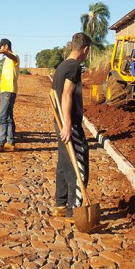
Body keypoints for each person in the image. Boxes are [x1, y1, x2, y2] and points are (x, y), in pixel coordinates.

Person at [51, 32, 92, 223]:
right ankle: (73, 210)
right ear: (85, 49)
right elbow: (66, 95)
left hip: (60, 119)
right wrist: (68, 124)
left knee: (64, 162)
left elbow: (56, 92)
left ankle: (60, 204)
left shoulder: (62, 66)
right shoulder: (75, 66)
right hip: (69, 123)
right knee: (78, 162)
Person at [0, 38, 19, 152]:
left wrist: (2, 52)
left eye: (0, 47)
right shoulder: (7, 59)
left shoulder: (13, 56)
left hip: (9, 90)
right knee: (8, 117)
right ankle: (10, 143)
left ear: (6, 46)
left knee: (2, 117)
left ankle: (0, 143)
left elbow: (13, 57)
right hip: (6, 90)